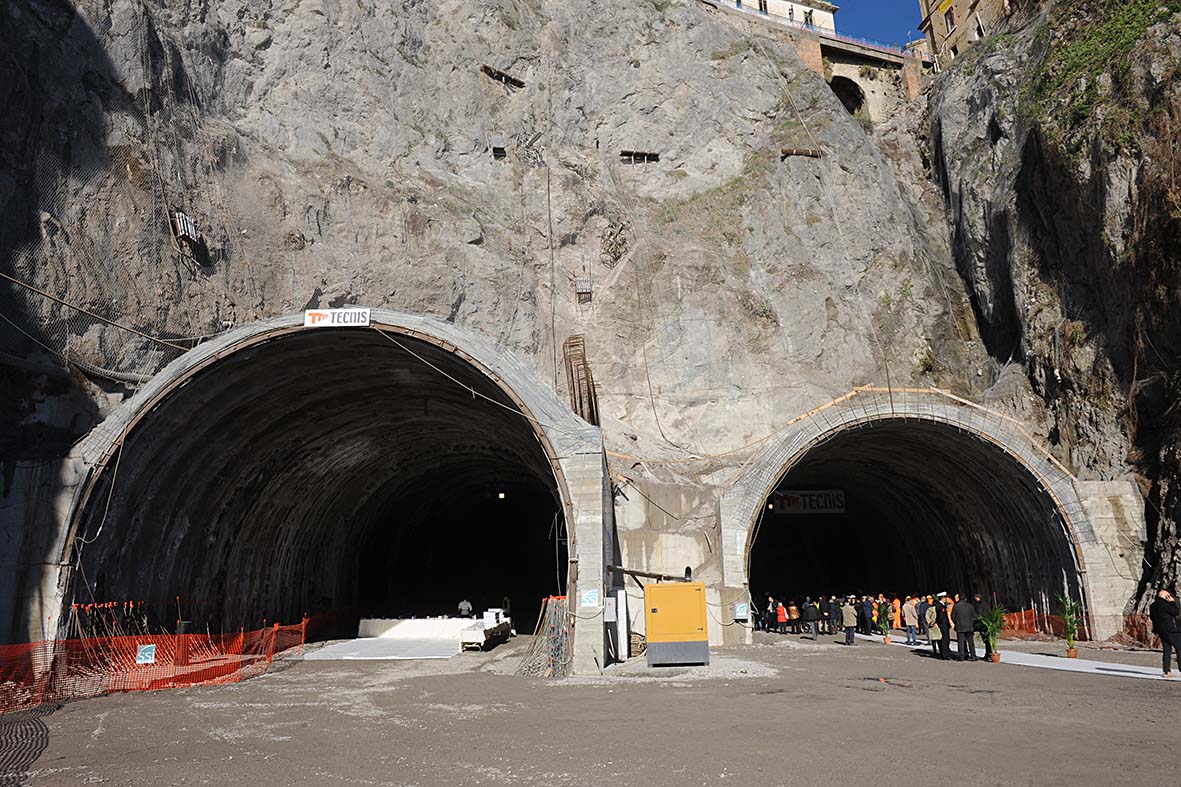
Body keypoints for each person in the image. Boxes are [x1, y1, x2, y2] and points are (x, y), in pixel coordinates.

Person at [1149, 587, 1181, 678]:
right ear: (1166, 596)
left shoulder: (1153, 606)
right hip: (1172, 630)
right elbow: (1175, 612)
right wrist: (1172, 602)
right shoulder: (1166, 604)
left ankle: (1166, 671)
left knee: (1167, 650)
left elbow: (1152, 618)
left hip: (1161, 631)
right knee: (1179, 648)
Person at [952, 593, 977, 661]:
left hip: (960, 626)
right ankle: (973, 656)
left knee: (961, 642)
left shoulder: (956, 606)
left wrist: (956, 622)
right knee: (971, 642)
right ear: (965, 598)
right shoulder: (970, 606)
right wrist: (970, 622)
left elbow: (953, 617)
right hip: (969, 626)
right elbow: (975, 616)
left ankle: (961, 656)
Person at [973, 593, 994, 661]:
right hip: (987, 624)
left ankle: (988, 654)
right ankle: (988, 653)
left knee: (986, 640)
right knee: (987, 640)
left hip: (982, 624)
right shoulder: (985, 604)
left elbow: (979, 614)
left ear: (977, 598)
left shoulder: (979, 605)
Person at [935, 594, 953, 660]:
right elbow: (940, 616)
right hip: (942, 625)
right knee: (945, 640)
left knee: (946, 639)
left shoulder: (942, 605)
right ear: (942, 598)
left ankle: (945, 653)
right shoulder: (939, 606)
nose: (946, 599)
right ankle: (945, 655)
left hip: (945, 625)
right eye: (945, 598)